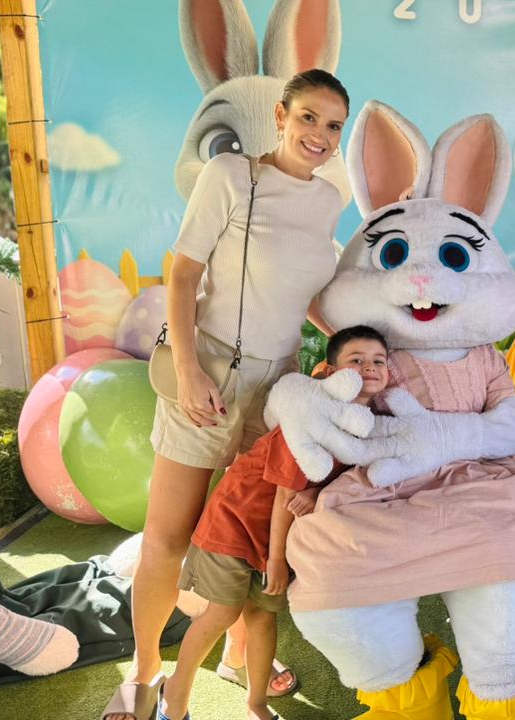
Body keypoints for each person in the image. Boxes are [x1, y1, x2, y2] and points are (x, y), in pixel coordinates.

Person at [103, 69, 349, 720]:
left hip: (278, 386)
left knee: (247, 534)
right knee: (169, 536)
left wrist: (357, 344)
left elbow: (306, 295)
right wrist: (188, 373)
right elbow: (183, 275)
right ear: (280, 116)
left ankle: (240, 655)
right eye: (308, 117)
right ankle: (144, 673)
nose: (320, 134)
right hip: (211, 369)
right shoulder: (231, 175)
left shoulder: (329, 201)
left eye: (333, 126)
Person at [157, 326, 388, 720]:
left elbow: (344, 476)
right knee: (223, 612)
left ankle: (256, 703)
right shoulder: (310, 413)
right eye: (357, 360)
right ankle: (174, 696)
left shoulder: (368, 422)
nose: (369, 367)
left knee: (262, 617)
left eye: (378, 361)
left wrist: (315, 495)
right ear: (332, 371)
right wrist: (277, 560)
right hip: (236, 521)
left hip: (275, 535)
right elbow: (284, 495)